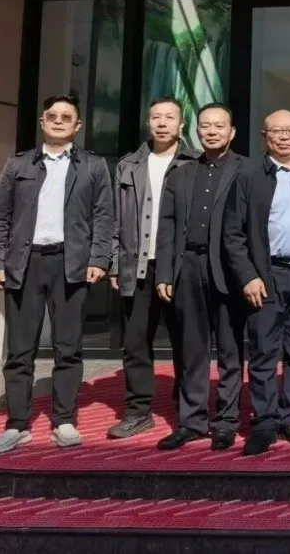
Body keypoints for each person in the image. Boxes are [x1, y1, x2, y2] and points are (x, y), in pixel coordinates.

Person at [0, 94, 114, 454]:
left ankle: (65, 420)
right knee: (19, 351)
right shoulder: (18, 164)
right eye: (52, 116)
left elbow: (104, 217)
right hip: (24, 265)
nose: (58, 121)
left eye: (66, 117)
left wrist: (100, 259)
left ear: (78, 126)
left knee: (68, 348)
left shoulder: (93, 167)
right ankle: (17, 424)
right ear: (42, 122)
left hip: (70, 265)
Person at [223, 110, 290, 456]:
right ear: (264, 137)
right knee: (264, 350)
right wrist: (248, 276)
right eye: (276, 131)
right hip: (267, 276)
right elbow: (233, 234)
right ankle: (265, 420)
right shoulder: (249, 175)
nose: (283, 137)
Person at [154, 102, 250, 451]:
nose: (212, 131)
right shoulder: (180, 174)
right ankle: (191, 421)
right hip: (189, 267)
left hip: (228, 268)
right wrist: (165, 272)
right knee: (191, 349)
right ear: (196, 131)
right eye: (205, 126)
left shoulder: (247, 171)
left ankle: (226, 421)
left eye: (219, 126)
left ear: (232, 132)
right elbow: (166, 228)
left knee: (229, 348)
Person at [107, 96, 196, 439]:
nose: (162, 123)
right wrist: (115, 263)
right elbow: (116, 218)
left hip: (181, 266)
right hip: (139, 264)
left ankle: (188, 410)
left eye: (169, 117)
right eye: (156, 117)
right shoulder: (128, 165)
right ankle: (138, 411)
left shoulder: (194, 163)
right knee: (136, 342)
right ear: (148, 123)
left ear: (181, 124)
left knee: (186, 340)